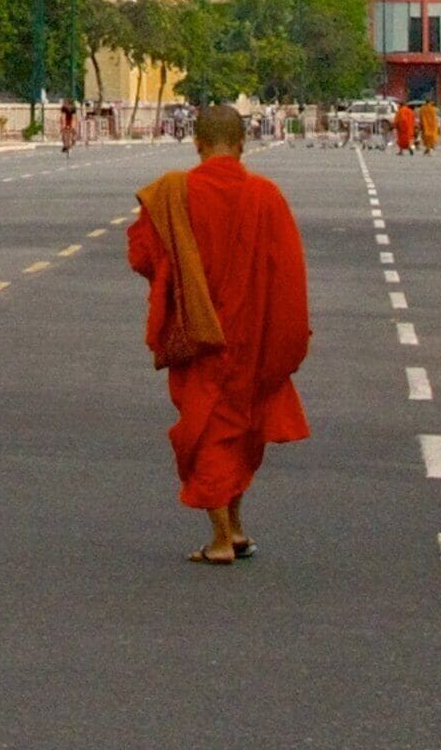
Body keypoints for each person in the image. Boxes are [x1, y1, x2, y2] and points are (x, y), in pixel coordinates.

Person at [127, 104, 313, 565]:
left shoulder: (176, 193)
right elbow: (290, 275)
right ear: (244, 144)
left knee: (209, 431)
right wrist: (288, 339)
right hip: (253, 339)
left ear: (198, 144)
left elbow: (142, 255)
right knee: (240, 429)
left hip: (200, 334)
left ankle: (220, 540)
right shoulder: (267, 196)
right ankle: (235, 526)